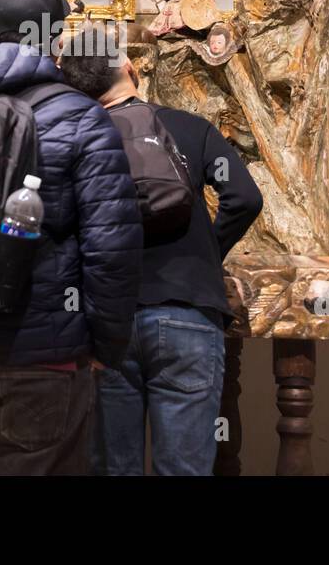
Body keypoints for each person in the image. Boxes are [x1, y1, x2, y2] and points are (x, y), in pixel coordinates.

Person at [0, 0, 143, 475]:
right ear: (57, 43)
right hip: (42, 358)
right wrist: (106, 345)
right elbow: (111, 249)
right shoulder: (82, 118)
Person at [60, 27, 264, 476]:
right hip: (188, 309)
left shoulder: (74, 143)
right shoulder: (192, 128)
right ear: (130, 69)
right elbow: (246, 197)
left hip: (106, 324)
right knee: (185, 468)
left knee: (114, 467)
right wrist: (209, 248)